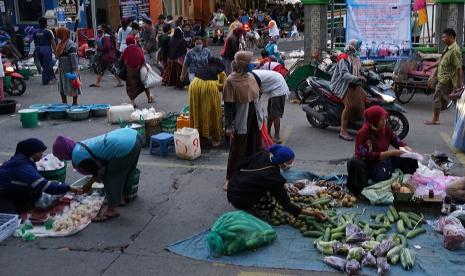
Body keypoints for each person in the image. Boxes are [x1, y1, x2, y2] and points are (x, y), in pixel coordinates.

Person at [52, 128, 142, 222]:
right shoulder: (79, 146)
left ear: (64, 152)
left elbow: (98, 173)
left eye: (60, 156)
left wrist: (87, 187)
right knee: (125, 171)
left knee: (110, 176)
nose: (62, 159)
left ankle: (112, 210)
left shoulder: (77, 156)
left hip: (125, 145)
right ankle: (121, 198)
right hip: (133, 135)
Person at [227, 145, 326, 220]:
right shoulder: (274, 178)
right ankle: (253, 210)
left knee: (270, 188)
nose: (291, 164)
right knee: (272, 198)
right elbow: (286, 205)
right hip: (240, 200)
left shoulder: (263, 154)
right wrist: (312, 213)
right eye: (289, 162)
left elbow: (240, 165)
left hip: (233, 189)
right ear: (281, 162)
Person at [346, 106, 418, 196]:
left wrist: (406, 147)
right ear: (373, 120)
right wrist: (391, 153)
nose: (385, 122)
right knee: (354, 163)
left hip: (383, 160)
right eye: (381, 120)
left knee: (410, 157)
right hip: (368, 164)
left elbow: (396, 141)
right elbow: (367, 155)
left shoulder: (385, 129)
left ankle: (405, 185)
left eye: (385, 119)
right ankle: (359, 191)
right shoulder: (364, 133)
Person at [0, 138, 78, 214]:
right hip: (4, 195)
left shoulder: (23, 160)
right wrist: (69, 188)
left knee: (34, 196)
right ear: (32, 152)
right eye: (40, 152)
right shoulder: (22, 166)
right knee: (11, 219)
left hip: (13, 191)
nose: (42, 155)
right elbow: (45, 186)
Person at [223, 51, 264, 182]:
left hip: (254, 117)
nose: (252, 64)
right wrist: (229, 126)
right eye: (249, 62)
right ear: (242, 64)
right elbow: (228, 105)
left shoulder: (250, 76)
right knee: (238, 149)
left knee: (254, 145)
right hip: (241, 118)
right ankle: (231, 178)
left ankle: (251, 172)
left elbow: (257, 94)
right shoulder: (231, 80)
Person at [423, 28, 463, 125]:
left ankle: (435, 119)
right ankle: (438, 118)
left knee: (439, 95)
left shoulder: (455, 50)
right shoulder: (448, 48)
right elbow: (441, 61)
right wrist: (429, 68)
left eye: (445, 37)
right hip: (443, 77)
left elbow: (459, 68)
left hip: (447, 79)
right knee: (455, 100)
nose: (443, 39)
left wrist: (458, 85)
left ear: (451, 37)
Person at [330, 39, 367, 141]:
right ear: (353, 48)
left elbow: (359, 69)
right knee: (350, 106)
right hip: (342, 85)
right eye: (358, 47)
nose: (360, 49)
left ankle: (357, 123)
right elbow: (344, 75)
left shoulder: (356, 57)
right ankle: (343, 131)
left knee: (364, 97)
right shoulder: (344, 58)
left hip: (353, 83)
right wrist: (357, 78)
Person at [189, 57, 226, 147]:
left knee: (198, 110)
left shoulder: (202, 68)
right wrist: (218, 87)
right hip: (210, 88)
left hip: (194, 86)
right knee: (213, 112)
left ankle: (200, 136)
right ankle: (215, 138)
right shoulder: (220, 71)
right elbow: (225, 85)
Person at [252, 69, 290, 143]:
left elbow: (257, 93)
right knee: (270, 114)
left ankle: (277, 136)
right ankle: (268, 133)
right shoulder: (252, 75)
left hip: (279, 89)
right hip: (274, 87)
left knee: (275, 115)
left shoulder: (252, 78)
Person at [122, 36, 154, 106]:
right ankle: (149, 98)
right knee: (144, 84)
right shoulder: (138, 49)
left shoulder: (126, 50)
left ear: (127, 43)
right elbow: (142, 58)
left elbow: (123, 59)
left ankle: (132, 102)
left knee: (131, 87)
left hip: (130, 71)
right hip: (139, 69)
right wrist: (145, 66)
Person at [56, 27, 81, 105]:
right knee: (62, 88)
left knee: (74, 86)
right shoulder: (61, 43)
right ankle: (64, 103)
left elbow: (73, 58)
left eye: (58, 33)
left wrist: (75, 71)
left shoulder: (70, 44)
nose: (57, 35)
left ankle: (75, 103)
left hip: (70, 69)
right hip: (62, 70)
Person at [33, 17, 56, 85]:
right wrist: (56, 52)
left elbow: (34, 42)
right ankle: (46, 80)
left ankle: (52, 77)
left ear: (39, 23)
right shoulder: (48, 31)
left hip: (38, 49)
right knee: (47, 65)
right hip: (46, 49)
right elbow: (53, 42)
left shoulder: (35, 32)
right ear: (46, 23)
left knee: (44, 65)